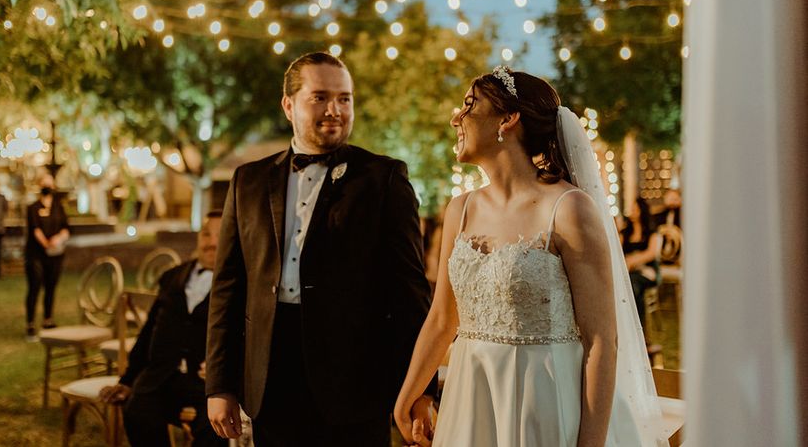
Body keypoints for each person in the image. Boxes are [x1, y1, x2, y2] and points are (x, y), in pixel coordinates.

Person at [394, 67, 664, 446]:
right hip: (473, 398)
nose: (457, 117)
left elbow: (602, 341)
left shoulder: (569, 208)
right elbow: (442, 320)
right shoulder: (460, 210)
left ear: (508, 118)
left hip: (549, 403)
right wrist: (407, 395)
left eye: (470, 105)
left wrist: (590, 443)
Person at [205, 52, 435, 446]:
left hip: (355, 383)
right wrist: (219, 385)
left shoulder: (384, 179)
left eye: (345, 99)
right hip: (270, 375)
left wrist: (422, 389)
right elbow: (228, 286)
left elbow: (410, 292)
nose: (335, 110)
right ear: (289, 105)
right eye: (321, 97)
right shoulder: (248, 181)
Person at [99, 211, 227, 447]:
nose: (212, 242)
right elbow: (148, 332)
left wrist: (225, 369)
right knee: (138, 412)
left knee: (214, 431)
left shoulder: (238, 282)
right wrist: (128, 380)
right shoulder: (172, 277)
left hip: (207, 384)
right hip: (161, 377)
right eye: (206, 234)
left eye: (221, 235)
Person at [24, 174, 70, 339]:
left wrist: (58, 239)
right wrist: (46, 243)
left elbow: (66, 227)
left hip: (55, 255)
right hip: (36, 254)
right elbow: (35, 229)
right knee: (35, 287)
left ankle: (48, 319)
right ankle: (30, 323)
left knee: (51, 287)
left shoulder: (59, 207)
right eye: (45, 184)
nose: (48, 187)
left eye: (50, 184)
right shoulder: (33, 208)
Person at [622, 198, 663, 330]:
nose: (632, 212)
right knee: (625, 283)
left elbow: (651, 253)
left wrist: (632, 261)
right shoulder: (626, 232)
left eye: (635, 209)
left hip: (648, 271)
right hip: (629, 271)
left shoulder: (652, 233)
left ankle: (639, 329)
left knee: (633, 285)